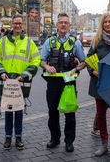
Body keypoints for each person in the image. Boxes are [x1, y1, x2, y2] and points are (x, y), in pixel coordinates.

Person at [0, 14, 41, 150]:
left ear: (22, 25)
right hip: (7, 81)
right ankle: (7, 137)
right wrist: (1, 72)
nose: (17, 26)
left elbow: (36, 60)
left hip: (21, 82)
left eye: (19, 23)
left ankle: (18, 137)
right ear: (12, 25)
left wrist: (24, 75)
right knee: (8, 110)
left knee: (19, 111)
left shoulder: (29, 42)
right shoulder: (3, 41)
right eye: (15, 23)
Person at [40, 12, 86, 153]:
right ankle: (55, 139)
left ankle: (69, 142)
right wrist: (47, 67)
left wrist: (75, 69)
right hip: (53, 82)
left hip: (69, 82)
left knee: (69, 113)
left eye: (66, 22)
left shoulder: (75, 42)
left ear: (69, 25)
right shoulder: (49, 41)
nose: (63, 24)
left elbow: (84, 62)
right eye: (61, 22)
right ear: (57, 24)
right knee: (53, 112)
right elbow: (41, 61)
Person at [86, 11, 110, 159]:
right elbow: (89, 58)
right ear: (102, 24)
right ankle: (104, 144)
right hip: (99, 83)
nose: (108, 24)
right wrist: (93, 72)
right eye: (105, 22)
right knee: (101, 116)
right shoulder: (97, 40)